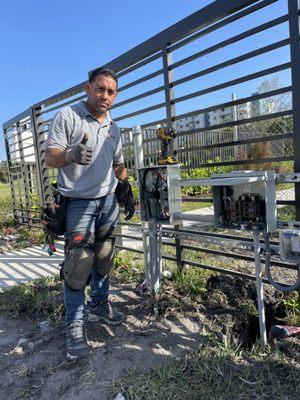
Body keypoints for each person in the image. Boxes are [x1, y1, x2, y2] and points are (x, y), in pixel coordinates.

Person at [45, 67, 135, 361]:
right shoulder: (68, 117)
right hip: (78, 201)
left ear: (116, 95)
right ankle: (74, 325)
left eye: (111, 91)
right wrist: (70, 154)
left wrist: (126, 184)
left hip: (107, 200)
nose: (105, 96)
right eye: (100, 89)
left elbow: (118, 164)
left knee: (105, 254)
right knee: (79, 261)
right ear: (87, 88)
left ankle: (99, 304)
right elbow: (51, 157)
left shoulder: (113, 127)